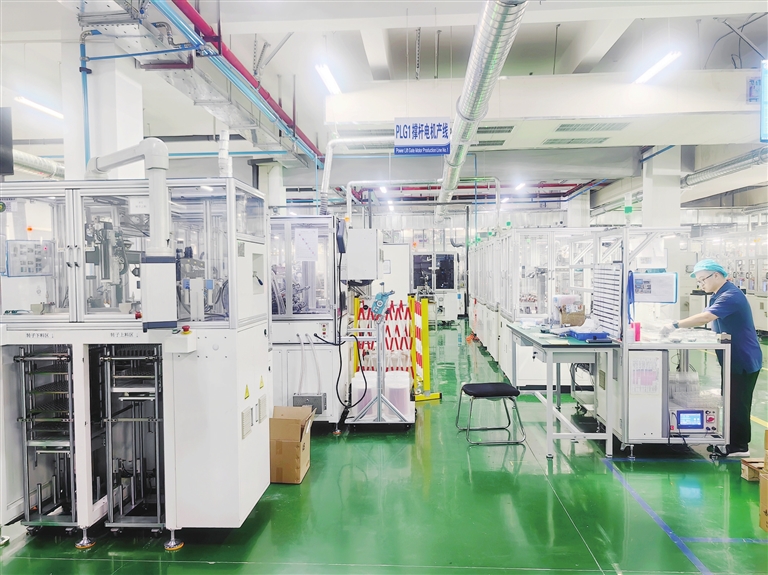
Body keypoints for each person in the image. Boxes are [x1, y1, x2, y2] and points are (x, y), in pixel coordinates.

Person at [660, 259, 762, 457]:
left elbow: (706, 317)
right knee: (731, 398)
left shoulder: (731, 295)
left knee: (738, 401)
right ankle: (730, 440)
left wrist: (674, 325)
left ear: (716, 275)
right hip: (733, 357)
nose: (701, 284)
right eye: (698, 281)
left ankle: (739, 446)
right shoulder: (718, 294)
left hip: (743, 358)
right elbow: (707, 317)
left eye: (703, 279)